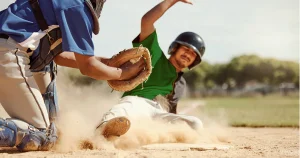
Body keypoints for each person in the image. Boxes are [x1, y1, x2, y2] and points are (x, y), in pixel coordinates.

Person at [0, 0, 144, 151]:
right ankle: (40, 129)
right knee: (43, 134)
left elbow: (59, 55)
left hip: (15, 50)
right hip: (8, 52)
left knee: (55, 127)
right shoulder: (77, 6)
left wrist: (108, 63)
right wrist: (121, 74)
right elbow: (88, 67)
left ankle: (59, 129)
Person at [96, 0, 206, 138]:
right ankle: (100, 132)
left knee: (195, 124)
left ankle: (150, 137)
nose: (188, 55)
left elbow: (171, 111)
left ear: (194, 61)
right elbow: (146, 21)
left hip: (158, 114)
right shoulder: (155, 56)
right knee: (125, 107)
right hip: (138, 103)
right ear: (175, 48)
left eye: (193, 54)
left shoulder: (180, 83)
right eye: (186, 49)